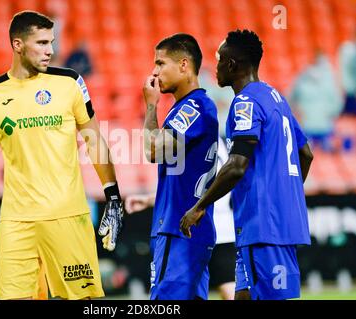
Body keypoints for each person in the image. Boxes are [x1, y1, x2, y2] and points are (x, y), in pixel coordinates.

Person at [0, 11, 124, 300]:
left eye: (51, 42)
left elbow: (95, 142)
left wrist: (113, 197)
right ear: (17, 45)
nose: (51, 50)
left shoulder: (70, 83)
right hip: (16, 221)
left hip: (67, 215)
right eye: (41, 43)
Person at [180, 30, 314, 300]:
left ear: (231, 64)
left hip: (264, 225)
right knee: (243, 296)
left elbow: (237, 164)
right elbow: (306, 154)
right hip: (271, 223)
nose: (214, 66)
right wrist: (286, 194)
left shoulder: (245, 102)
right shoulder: (275, 97)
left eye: (219, 60)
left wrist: (200, 206)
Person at [142, 33, 219, 300]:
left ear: (184, 65)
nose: (154, 71)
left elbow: (153, 150)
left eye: (161, 63)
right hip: (188, 229)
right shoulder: (185, 108)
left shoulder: (194, 106)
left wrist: (151, 106)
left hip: (179, 230)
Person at [125, 138, 236, 300]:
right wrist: (149, 199)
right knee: (229, 290)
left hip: (195, 231)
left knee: (183, 293)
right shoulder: (222, 142)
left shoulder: (192, 142)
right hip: (224, 229)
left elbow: (184, 189)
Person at [290, 51, 343, 152]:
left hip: (323, 128)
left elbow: (338, 103)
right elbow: (290, 99)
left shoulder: (330, 79)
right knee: (308, 156)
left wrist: (328, 113)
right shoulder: (302, 79)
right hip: (309, 128)